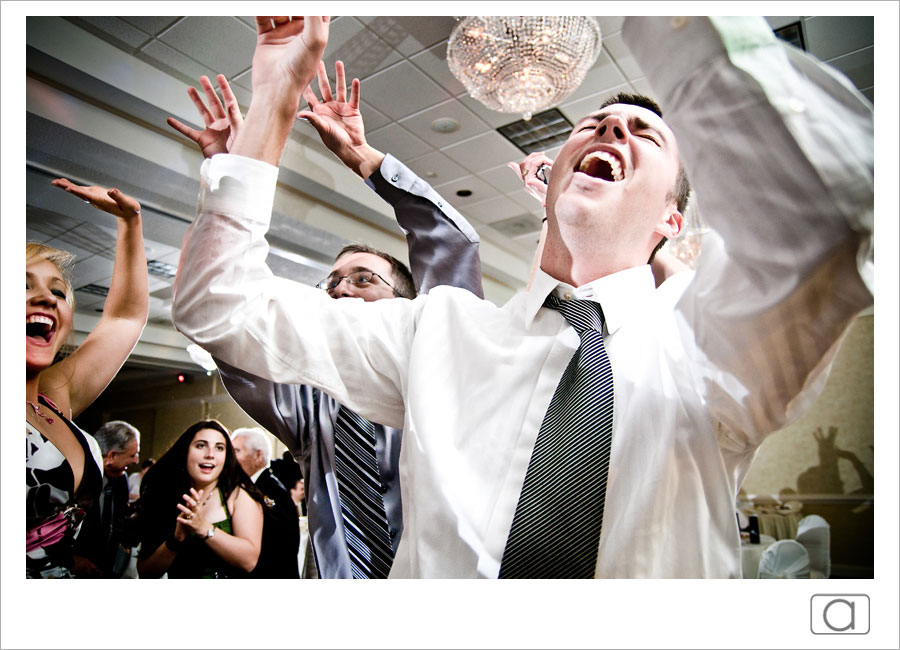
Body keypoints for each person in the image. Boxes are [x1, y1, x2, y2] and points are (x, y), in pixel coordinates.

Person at [172, 16, 873, 577]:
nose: (611, 127)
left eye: (647, 135)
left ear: (671, 218)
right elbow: (220, 305)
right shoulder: (436, 331)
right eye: (591, 124)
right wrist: (277, 95)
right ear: (555, 175)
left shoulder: (707, 338)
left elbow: (832, 216)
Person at [168, 59, 482, 578]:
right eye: (333, 282)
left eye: (363, 279)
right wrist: (234, 169)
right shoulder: (304, 398)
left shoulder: (440, 365)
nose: (341, 289)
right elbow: (229, 329)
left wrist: (365, 159)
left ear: (406, 304)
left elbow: (451, 245)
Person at [26, 180, 148, 579]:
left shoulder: (52, 396)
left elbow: (124, 318)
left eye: (58, 292)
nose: (47, 298)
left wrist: (130, 222)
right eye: (22, 285)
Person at [135, 420, 264, 579]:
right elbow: (146, 573)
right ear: (186, 451)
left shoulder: (238, 496)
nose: (210, 454)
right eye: (201, 445)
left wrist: (203, 527)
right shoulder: (165, 496)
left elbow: (249, 561)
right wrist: (176, 540)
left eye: (219, 448)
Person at [72, 420, 141, 577]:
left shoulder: (121, 480)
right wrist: (71, 559)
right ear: (112, 455)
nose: (136, 460)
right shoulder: (79, 476)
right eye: (132, 455)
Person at [231, 427, 300, 578]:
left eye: (236, 451)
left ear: (258, 455)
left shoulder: (273, 493)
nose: (230, 458)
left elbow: (275, 552)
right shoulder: (256, 488)